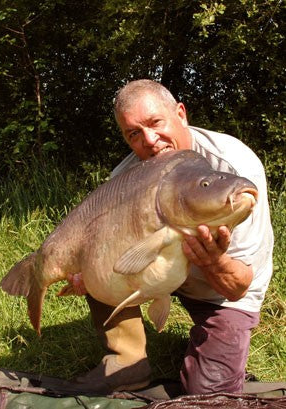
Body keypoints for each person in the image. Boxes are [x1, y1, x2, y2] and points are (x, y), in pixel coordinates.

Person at [74, 79, 274, 395]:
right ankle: (126, 365)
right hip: (157, 273)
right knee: (96, 260)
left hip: (219, 291)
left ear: (180, 114)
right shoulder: (126, 178)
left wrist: (213, 260)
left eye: (156, 123)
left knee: (207, 395)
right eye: (134, 134)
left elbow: (238, 288)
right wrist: (86, 267)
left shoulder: (233, 170)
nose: (150, 141)